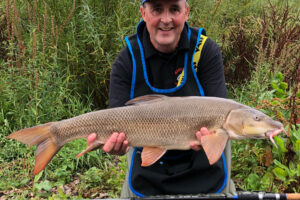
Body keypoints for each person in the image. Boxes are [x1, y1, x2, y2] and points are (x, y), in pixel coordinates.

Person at [87, 0, 236, 197]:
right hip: (147, 171)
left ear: (186, 12)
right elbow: (116, 121)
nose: (166, 20)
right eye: (157, 9)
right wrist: (115, 145)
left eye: (174, 9)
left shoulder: (205, 51)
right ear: (143, 13)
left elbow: (220, 113)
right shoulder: (127, 59)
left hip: (204, 167)